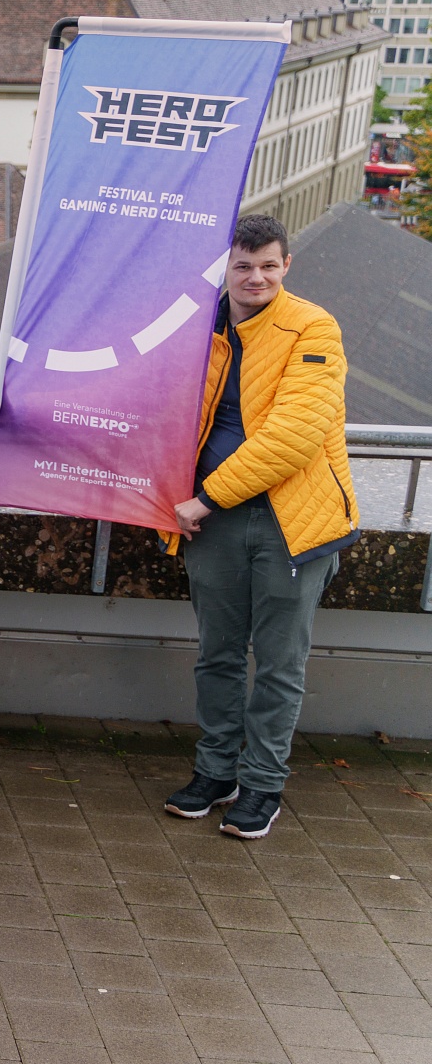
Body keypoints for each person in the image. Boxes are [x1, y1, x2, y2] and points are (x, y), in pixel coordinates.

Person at [159, 212, 356, 841]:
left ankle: (263, 784)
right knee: (216, 654)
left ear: (286, 266)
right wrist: (15, 402)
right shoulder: (197, 325)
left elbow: (293, 437)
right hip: (212, 525)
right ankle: (215, 772)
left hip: (290, 525)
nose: (256, 277)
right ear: (225, 268)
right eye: (243, 265)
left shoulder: (313, 327)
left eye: (269, 264)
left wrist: (203, 498)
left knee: (277, 663)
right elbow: (132, 399)